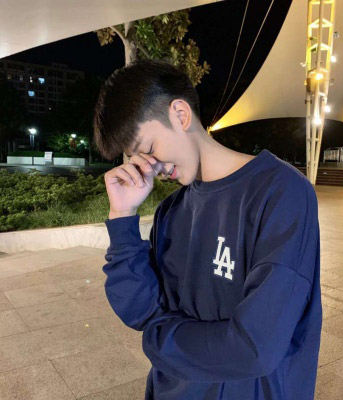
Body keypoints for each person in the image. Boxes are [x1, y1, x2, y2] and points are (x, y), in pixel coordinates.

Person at [93, 59, 322, 400]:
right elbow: (140, 310)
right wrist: (123, 216)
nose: (151, 167)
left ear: (180, 114)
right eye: (137, 158)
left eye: (149, 149)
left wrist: (159, 340)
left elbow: (254, 348)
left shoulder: (281, 192)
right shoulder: (171, 211)